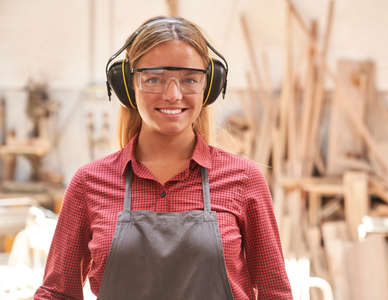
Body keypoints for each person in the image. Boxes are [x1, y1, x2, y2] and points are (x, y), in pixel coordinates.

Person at [35, 16, 293, 300]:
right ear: (127, 86)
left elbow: (274, 293)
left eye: (190, 79)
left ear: (209, 87)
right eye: (154, 79)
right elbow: (57, 293)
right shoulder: (89, 183)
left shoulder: (243, 179)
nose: (173, 94)